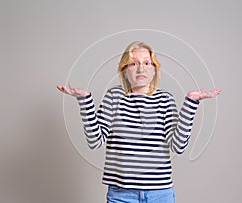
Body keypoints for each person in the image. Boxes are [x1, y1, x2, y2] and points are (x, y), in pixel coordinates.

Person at [57, 41, 221, 203]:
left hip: (160, 194)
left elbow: (178, 146)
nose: (141, 68)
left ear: (154, 69)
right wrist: (85, 101)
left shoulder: (165, 100)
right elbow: (94, 141)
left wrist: (191, 103)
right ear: (124, 71)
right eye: (133, 63)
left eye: (147, 63)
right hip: (121, 194)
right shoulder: (114, 96)